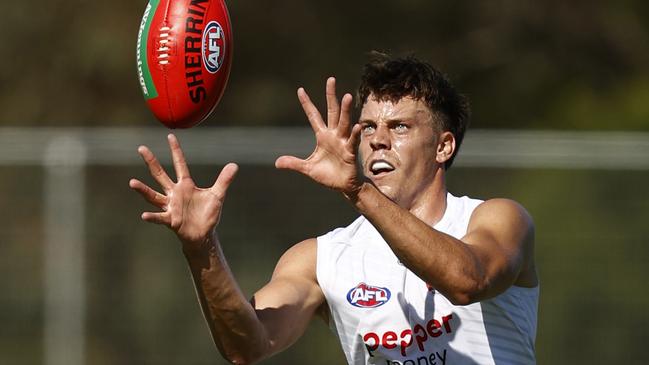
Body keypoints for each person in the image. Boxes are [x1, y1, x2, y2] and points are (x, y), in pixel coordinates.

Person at [129, 54, 539, 365]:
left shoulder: (497, 219)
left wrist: (357, 190)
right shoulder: (322, 258)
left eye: (399, 126)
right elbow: (247, 344)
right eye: (368, 127)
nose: (378, 140)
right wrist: (201, 248)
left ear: (443, 146)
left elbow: (467, 280)